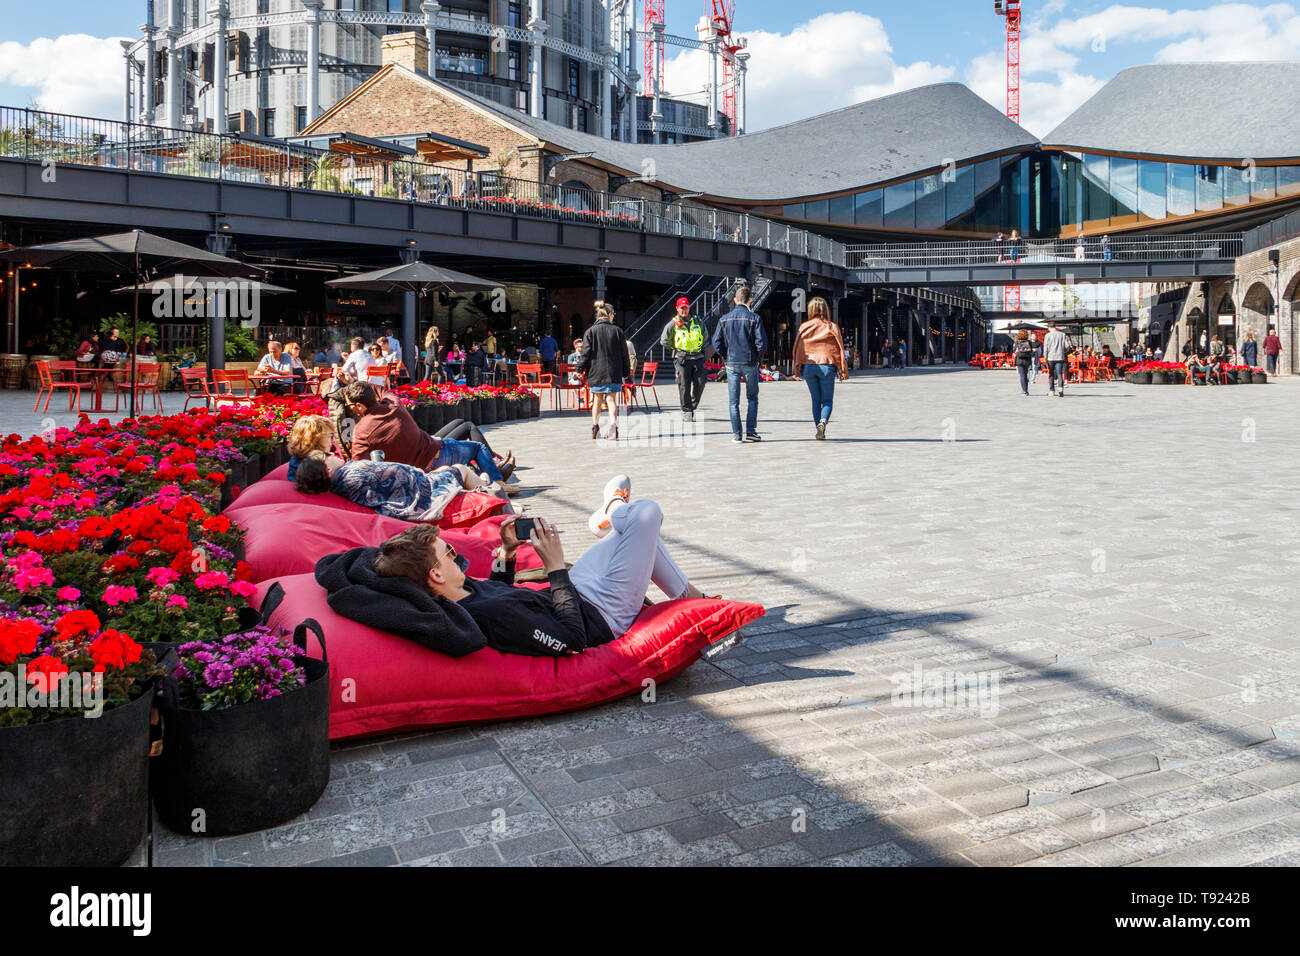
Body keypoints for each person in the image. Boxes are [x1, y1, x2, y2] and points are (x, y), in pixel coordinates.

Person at [318, 477, 715, 657]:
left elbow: (498, 589)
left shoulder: (464, 596)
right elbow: (572, 641)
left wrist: (506, 553)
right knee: (645, 516)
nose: (457, 556)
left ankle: (694, 599)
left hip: (578, 589)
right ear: (435, 575)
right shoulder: (490, 616)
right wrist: (556, 568)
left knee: (637, 538)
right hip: (604, 613)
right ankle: (612, 509)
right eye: (450, 554)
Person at [342, 381, 513, 484]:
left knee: (462, 424)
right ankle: (497, 478)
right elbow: (382, 390)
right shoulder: (393, 405)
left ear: (358, 406)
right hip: (436, 453)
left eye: (348, 405)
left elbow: (357, 466)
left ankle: (494, 471)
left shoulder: (361, 431)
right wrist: (356, 383)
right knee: (477, 446)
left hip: (418, 466)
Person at [295, 451, 506, 523]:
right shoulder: (352, 471)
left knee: (448, 467)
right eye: (327, 457)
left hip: (411, 493)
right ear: (327, 468)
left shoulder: (341, 482)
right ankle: (494, 492)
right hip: (423, 496)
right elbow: (405, 470)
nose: (333, 455)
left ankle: (487, 482)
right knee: (460, 468)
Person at [711, 284, 767, 443]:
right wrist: (757, 357)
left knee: (733, 401)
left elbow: (716, 342)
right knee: (752, 398)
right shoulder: (755, 318)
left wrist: (725, 356)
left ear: (735, 300)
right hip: (750, 362)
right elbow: (762, 343)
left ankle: (737, 434)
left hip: (731, 363)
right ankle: (751, 431)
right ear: (750, 300)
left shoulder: (724, 319)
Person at [791, 296, 849, 438]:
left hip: (809, 368)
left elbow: (797, 348)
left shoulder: (804, 327)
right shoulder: (831, 326)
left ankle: (818, 428)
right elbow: (840, 348)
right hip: (827, 366)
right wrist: (843, 369)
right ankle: (823, 422)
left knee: (816, 400)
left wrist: (796, 369)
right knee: (827, 400)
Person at [577, 302, 630, 441]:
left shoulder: (590, 332)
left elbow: (585, 353)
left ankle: (595, 427)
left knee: (597, 400)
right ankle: (613, 427)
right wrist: (626, 371)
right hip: (613, 372)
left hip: (596, 371)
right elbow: (624, 353)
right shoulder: (617, 331)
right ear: (610, 314)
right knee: (611, 399)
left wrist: (579, 369)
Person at [659, 295, 708, 422]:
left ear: (689, 308)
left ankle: (691, 406)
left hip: (697, 356)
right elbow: (664, 340)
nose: (684, 311)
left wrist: (699, 347)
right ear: (677, 309)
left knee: (701, 382)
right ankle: (687, 411)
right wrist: (674, 348)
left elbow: (705, 335)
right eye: (681, 308)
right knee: (684, 385)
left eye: (686, 308)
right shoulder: (673, 324)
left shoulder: (697, 321)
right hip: (682, 358)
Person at [1043, 322, 1069, 397]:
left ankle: (1051, 391)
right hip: (1060, 357)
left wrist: (1045, 357)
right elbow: (1067, 346)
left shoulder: (1047, 335)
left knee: (1051, 374)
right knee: (1059, 373)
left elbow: (1046, 348)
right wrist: (1063, 351)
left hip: (1050, 357)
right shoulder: (1062, 335)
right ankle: (1060, 389)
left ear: (1049, 327)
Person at [1011, 329, 1036, 396]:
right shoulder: (1029, 342)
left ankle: (1024, 391)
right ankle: (1026, 390)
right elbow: (1031, 351)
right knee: (1025, 374)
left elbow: (1014, 351)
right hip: (1027, 360)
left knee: (1022, 375)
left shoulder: (1017, 342)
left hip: (1019, 360)